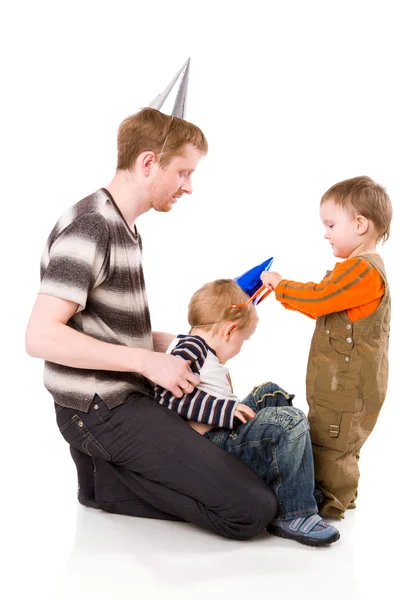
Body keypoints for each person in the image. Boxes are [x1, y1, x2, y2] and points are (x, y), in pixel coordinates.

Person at [25, 106, 282, 541]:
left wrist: (179, 342)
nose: (189, 186)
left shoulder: (124, 226)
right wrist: (148, 363)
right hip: (96, 409)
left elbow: (100, 326)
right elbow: (41, 336)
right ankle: (106, 480)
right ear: (148, 162)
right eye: (183, 172)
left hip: (126, 398)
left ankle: (101, 476)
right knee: (252, 510)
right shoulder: (92, 226)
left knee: (250, 480)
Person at [155, 278, 340, 546]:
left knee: (271, 393)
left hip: (223, 429)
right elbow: (170, 399)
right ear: (229, 331)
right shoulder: (190, 349)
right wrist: (226, 410)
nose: (240, 348)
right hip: (213, 440)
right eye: (243, 339)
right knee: (290, 421)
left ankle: (294, 485)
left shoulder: (198, 346)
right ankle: (295, 512)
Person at [261, 175, 392, 519]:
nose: (325, 233)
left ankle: (326, 505)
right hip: (339, 385)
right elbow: (322, 305)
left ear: (360, 224)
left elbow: (319, 299)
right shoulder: (353, 272)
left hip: (346, 388)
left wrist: (281, 286)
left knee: (333, 444)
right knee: (338, 441)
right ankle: (340, 497)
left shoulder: (363, 271)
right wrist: (286, 295)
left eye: (331, 224)